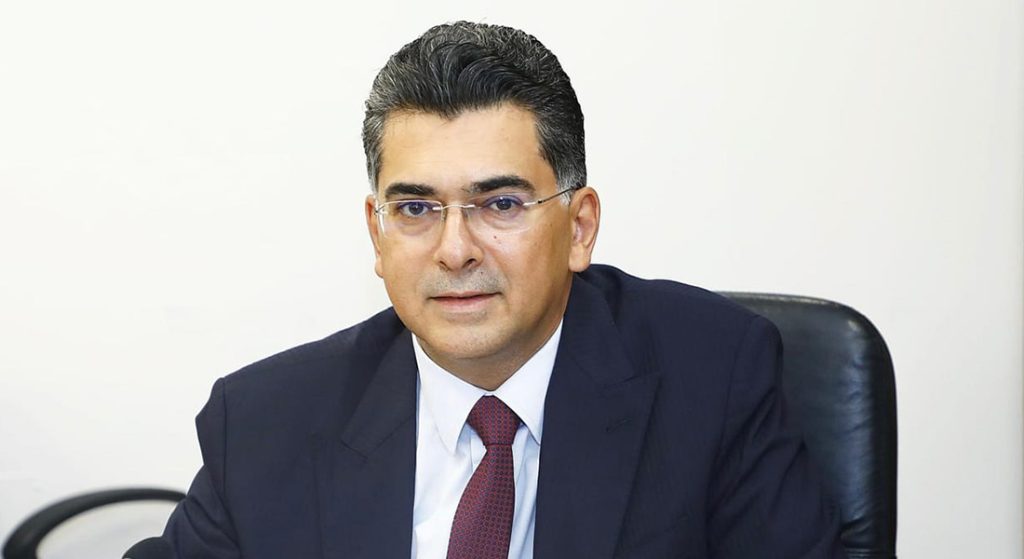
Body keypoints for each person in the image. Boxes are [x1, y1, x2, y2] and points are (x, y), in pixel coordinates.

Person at [161, 21, 845, 558]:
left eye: (501, 204)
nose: (455, 249)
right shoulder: (263, 424)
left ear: (579, 227)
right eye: (416, 208)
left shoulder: (715, 378)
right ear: (377, 232)